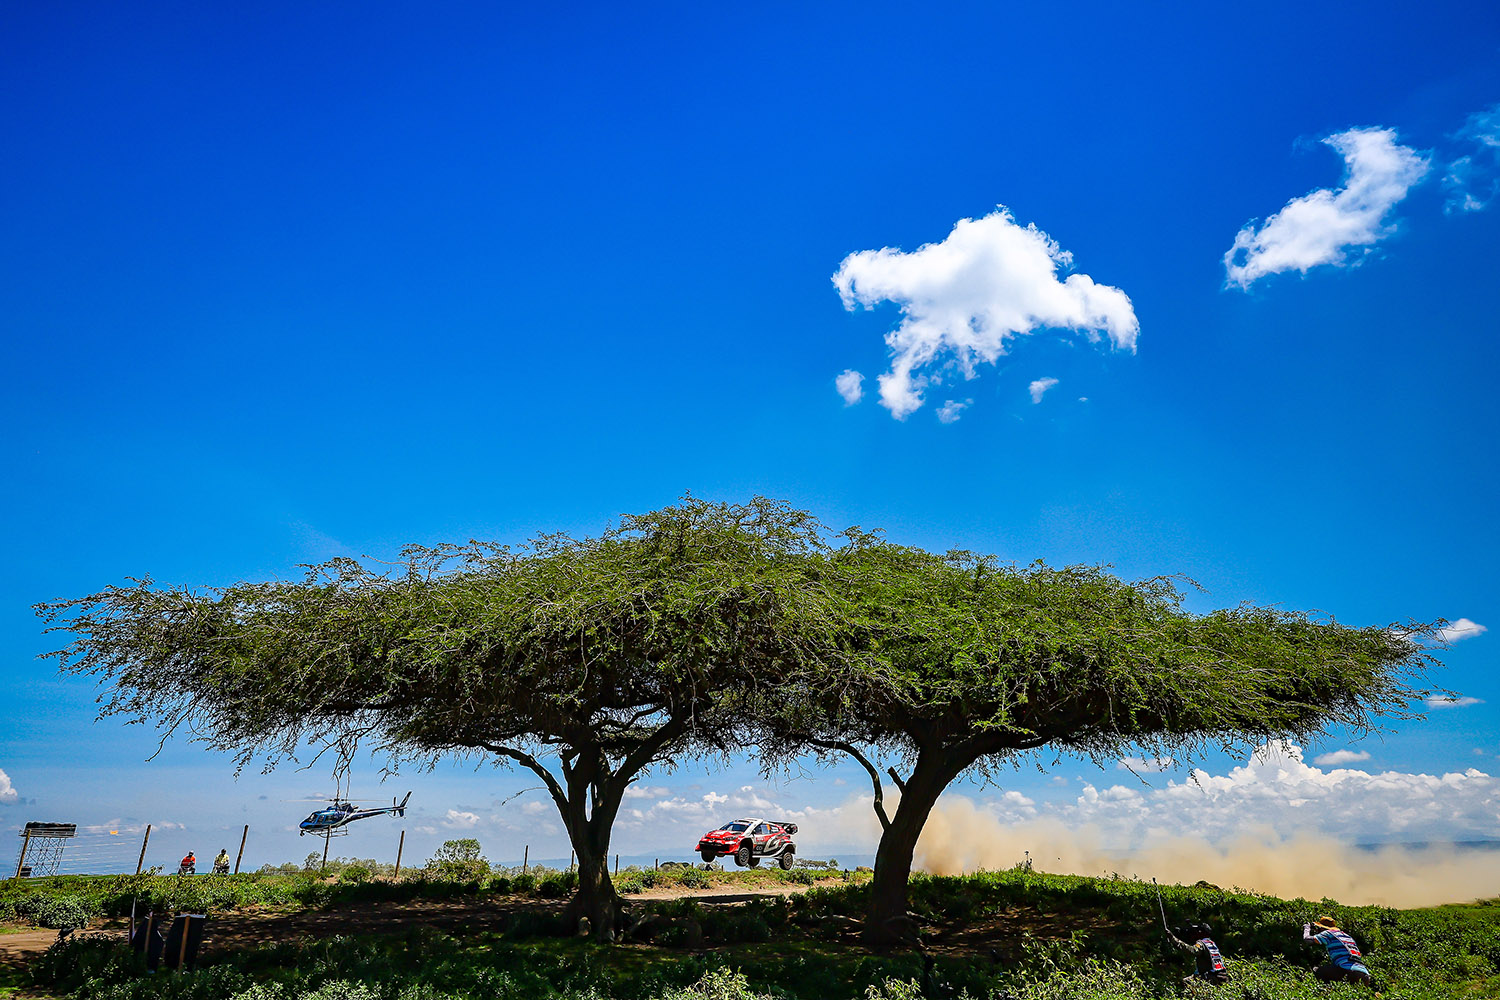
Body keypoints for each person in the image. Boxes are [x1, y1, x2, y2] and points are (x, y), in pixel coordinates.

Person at [1304, 915, 1374, 988]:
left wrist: (1307, 928)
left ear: (1323, 928)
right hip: (1365, 975)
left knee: (1318, 971)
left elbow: (1307, 939)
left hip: (1348, 971)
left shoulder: (1328, 933)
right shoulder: (1347, 936)